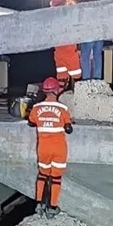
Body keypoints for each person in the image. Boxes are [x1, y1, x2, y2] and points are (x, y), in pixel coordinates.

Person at [27, 77, 73, 216]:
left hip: (43, 148)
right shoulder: (63, 109)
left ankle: (39, 204)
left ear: (44, 91)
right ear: (56, 91)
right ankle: (52, 207)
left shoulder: (36, 108)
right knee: (56, 178)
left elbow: (31, 123)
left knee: (42, 175)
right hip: (59, 149)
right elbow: (69, 129)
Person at [75, 0, 112, 80]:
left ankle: (86, 80)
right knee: (97, 55)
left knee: (85, 55)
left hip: (89, 28)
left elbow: (79, 3)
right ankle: (97, 80)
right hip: (100, 28)